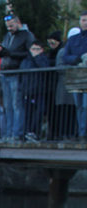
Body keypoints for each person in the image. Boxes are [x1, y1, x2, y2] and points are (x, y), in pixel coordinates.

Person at [0, 13, 35, 141]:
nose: (9, 28)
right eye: (8, 26)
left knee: (16, 104)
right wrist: (1, 53)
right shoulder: (7, 36)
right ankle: (8, 133)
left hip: (17, 73)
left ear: (18, 23)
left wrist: (11, 53)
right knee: (7, 105)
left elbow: (30, 53)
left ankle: (16, 133)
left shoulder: (26, 35)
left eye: (12, 25)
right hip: (5, 72)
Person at [60, 12, 87, 140]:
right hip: (76, 77)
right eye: (83, 20)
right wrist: (77, 59)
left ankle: (83, 132)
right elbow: (65, 57)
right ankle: (81, 133)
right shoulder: (73, 39)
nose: (85, 22)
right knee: (79, 106)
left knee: (86, 106)